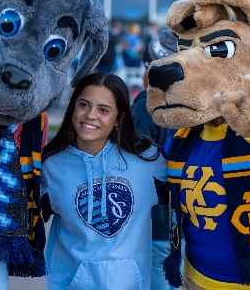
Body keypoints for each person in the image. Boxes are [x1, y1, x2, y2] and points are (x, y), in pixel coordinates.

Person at [41, 72, 168, 289]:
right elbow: (27, 222)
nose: (90, 115)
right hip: (69, 284)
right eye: (84, 105)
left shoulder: (147, 161)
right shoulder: (51, 166)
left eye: (103, 110)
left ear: (119, 119)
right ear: (73, 109)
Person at [131, 28, 181, 290]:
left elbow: (133, 170)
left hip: (156, 226)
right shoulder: (187, 108)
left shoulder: (144, 110)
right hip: (179, 220)